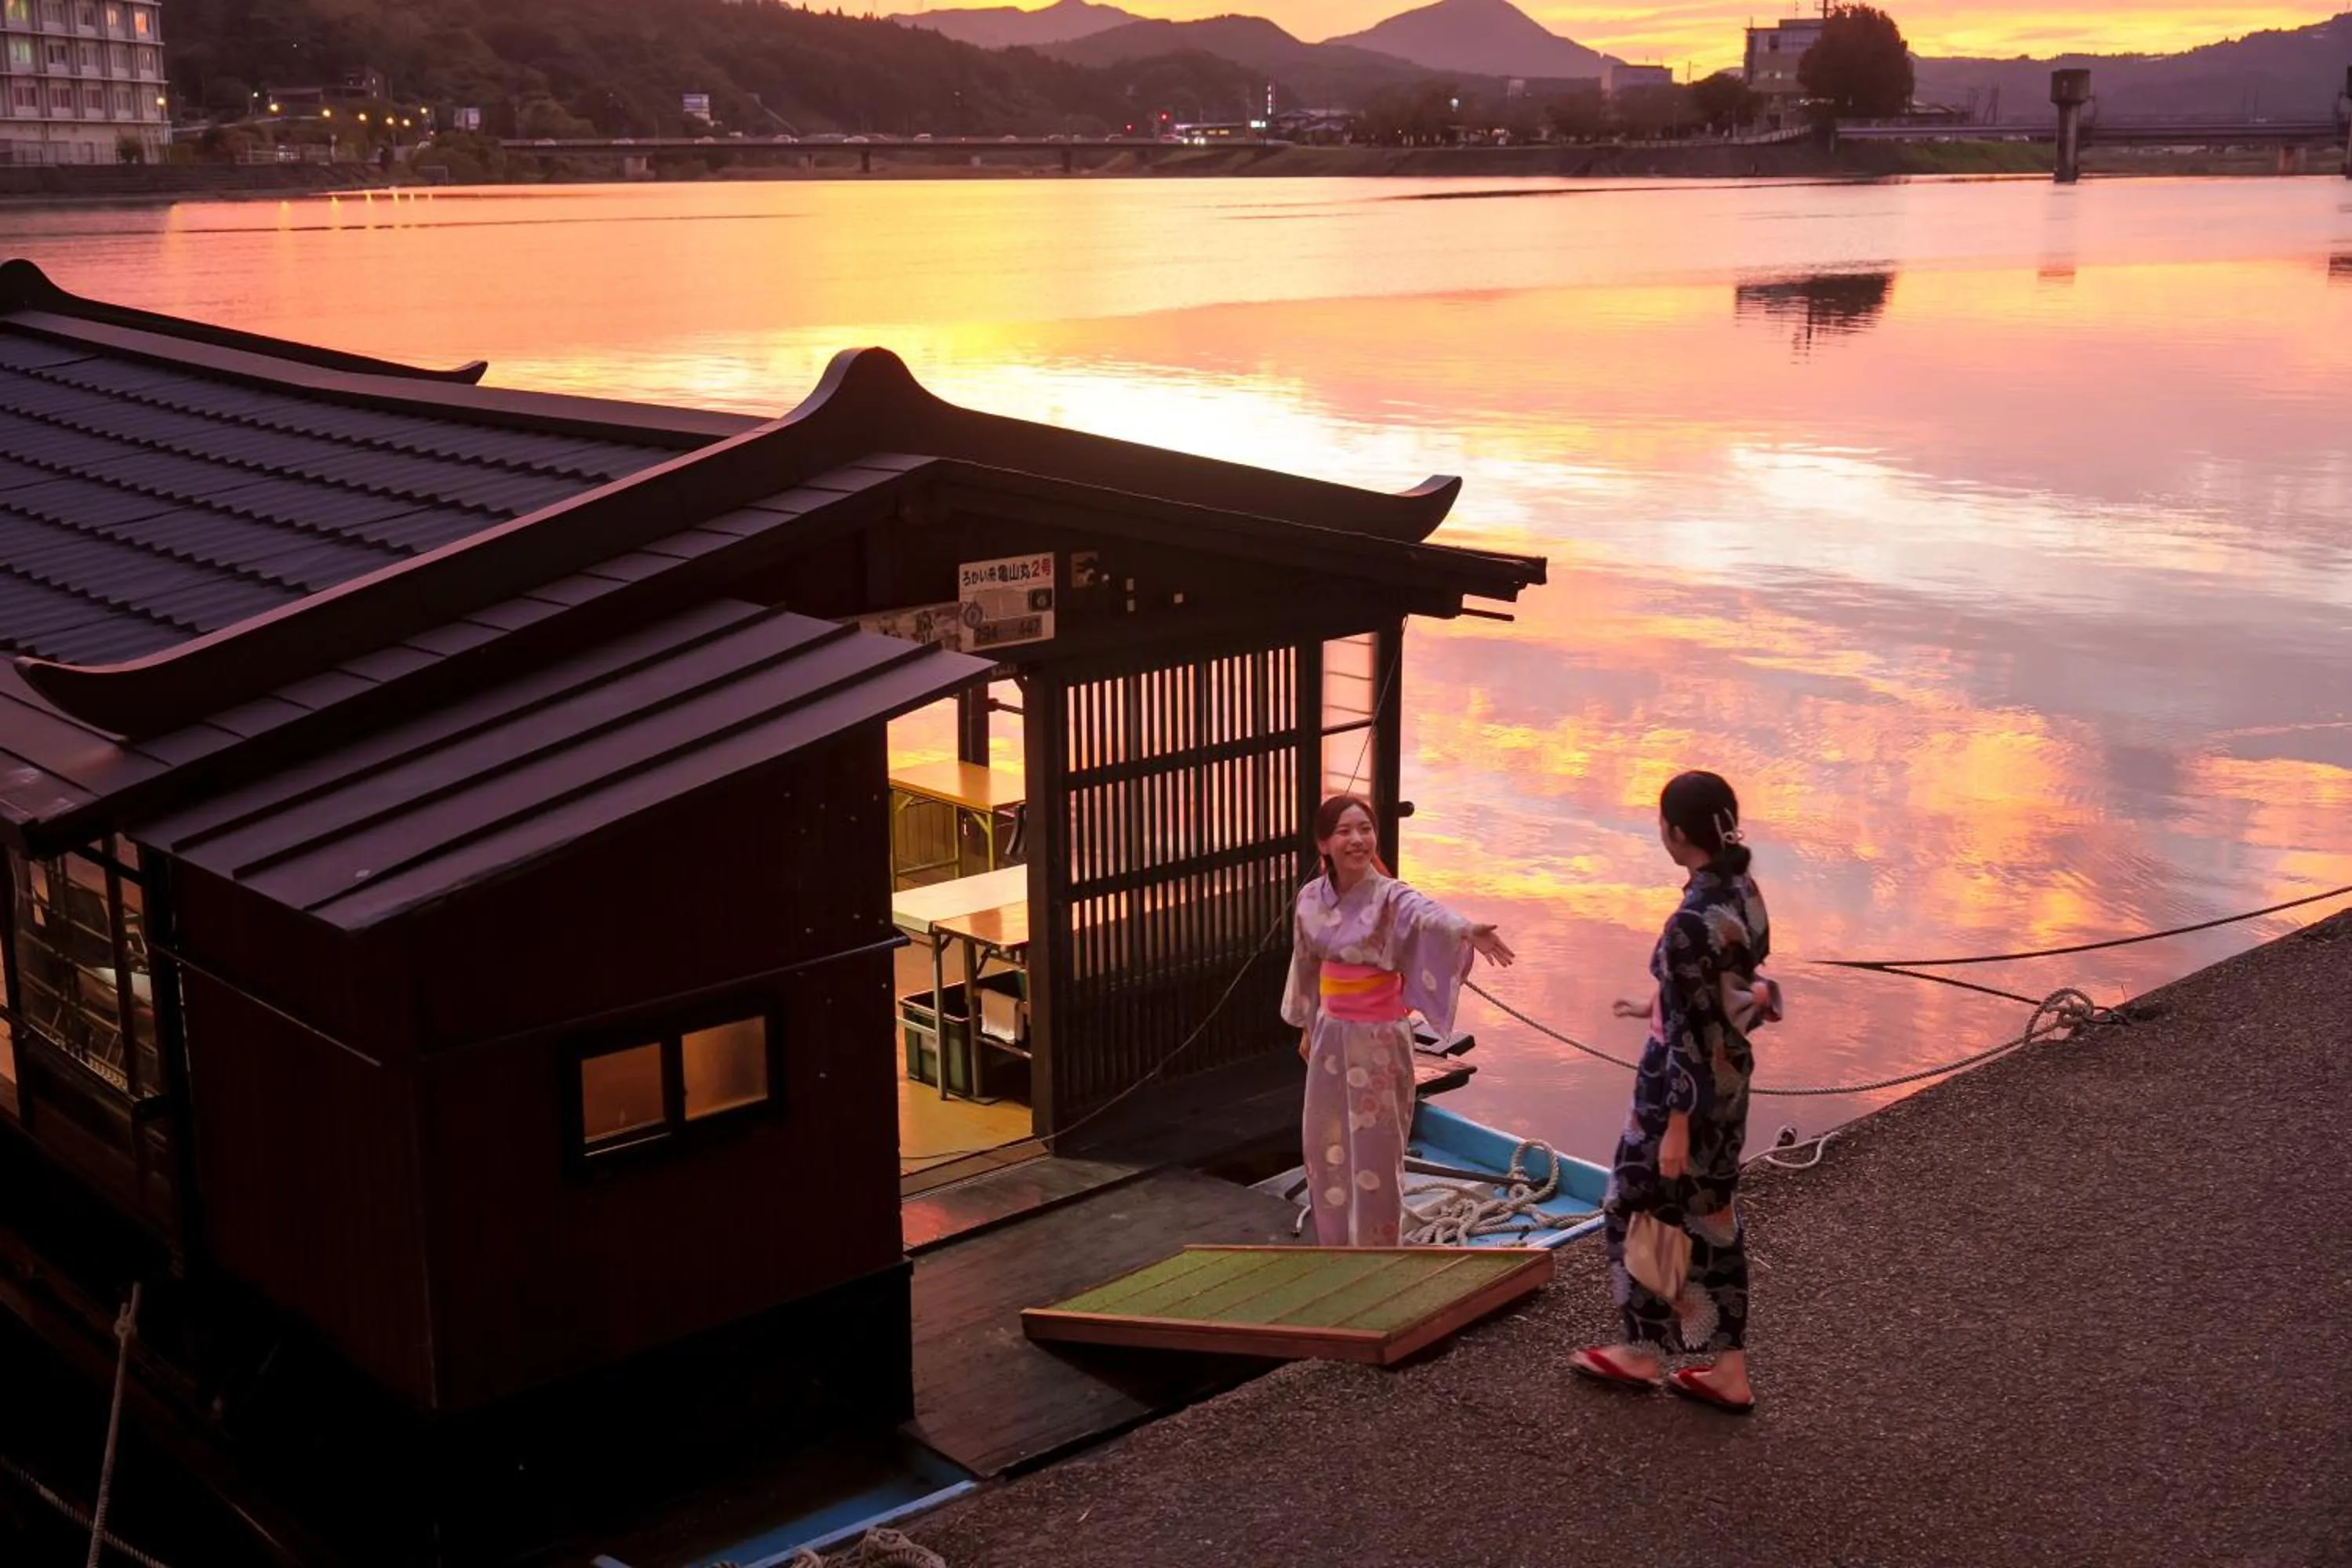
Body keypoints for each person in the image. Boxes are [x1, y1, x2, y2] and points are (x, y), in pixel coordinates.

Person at [1570, 770, 1773, 1413]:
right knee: (1712, 1216)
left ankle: (1643, 1349)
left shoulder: (1688, 919)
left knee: (1633, 1205)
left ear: (1676, 833)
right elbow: (1729, 991)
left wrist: (1678, 1122)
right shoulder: (1743, 890)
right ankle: (1729, 1369)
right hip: (1730, 1081)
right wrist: (1656, 1003)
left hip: (1676, 1093)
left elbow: (1688, 1028)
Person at [1282, 794, 1515, 1247]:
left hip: (1379, 1039)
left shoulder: (1392, 897)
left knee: (1376, 1149)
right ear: (1324, 843)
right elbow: (1306, 967)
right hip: (1330, 1035)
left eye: (1365, 829)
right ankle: (1335, 1243)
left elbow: (1428, 914)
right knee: (1325, 1143)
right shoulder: (1310, 899)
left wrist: (1466, 929)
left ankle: (1377, 1249)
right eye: (1345, 831)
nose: (1358, 839)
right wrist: (1308, 1026)